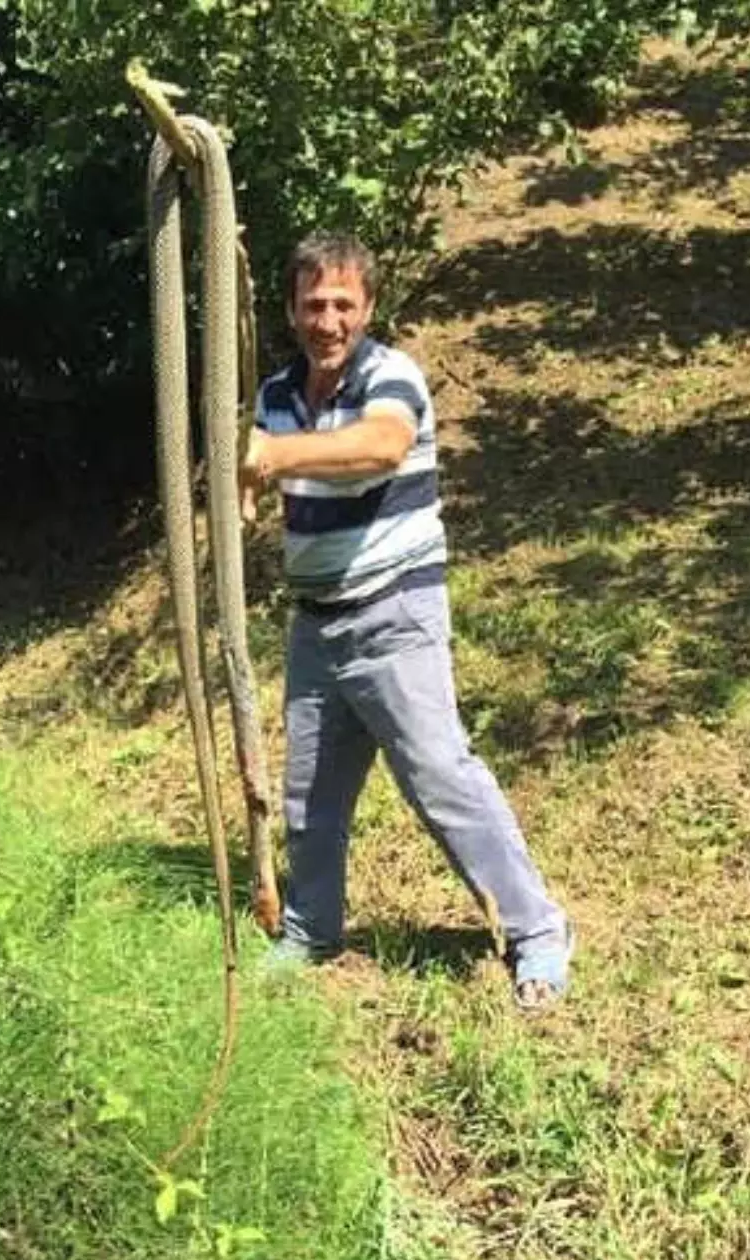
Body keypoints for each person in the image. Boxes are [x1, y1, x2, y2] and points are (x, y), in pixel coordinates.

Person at [240, 233, 572, 1008]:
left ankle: (537, 930)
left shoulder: (392, 377)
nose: (328, 319)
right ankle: (312, 928)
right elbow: (263, 477)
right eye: (314, 303)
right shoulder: (278, 396)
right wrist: (247, 482)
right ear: (292, 309)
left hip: (395, 613)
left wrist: (274, 456)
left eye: (343, 304)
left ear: (368, 307)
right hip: (316, 623)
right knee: (310, 796)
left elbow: (380, 448)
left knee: (438, 777)